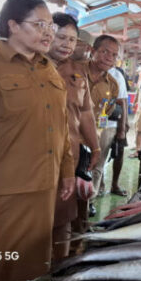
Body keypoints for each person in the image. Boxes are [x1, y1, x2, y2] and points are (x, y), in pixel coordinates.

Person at [0, 0, 75, 281]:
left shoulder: (49, 69)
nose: (48, 32)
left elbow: (60, 125)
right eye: (39, 25)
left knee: (21, 269)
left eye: (50, 25)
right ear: (13, 25)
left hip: (41, 192)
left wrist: (68, 170)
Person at [47, 13, 101, 260]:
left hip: (70, 156)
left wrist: (95, 146)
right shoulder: (34, 65)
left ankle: (60, 269)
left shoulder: (77, 72)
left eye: (72, 39)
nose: (67, 44)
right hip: (36, 157)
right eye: (61, 37)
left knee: (65, 217)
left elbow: (87, 112)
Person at [83, 35, 120, 217]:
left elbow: (106, 110)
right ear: (93, 51)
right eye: (105, 52)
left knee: (96, 167)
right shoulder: (76, 72)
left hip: (97, 130)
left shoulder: (112, 85)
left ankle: (90, 200)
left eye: (114, 55)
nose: (109, 58)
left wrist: (100, 132)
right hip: (73, 132)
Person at [106, 64, 130, 197]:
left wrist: (123, 125)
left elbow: (123, 101)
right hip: (98, 122)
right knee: (98, 156)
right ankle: (100, 185)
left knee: (119, 152)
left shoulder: (117, 75)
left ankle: (115, 184)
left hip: (116, 120)